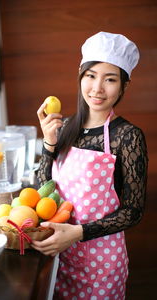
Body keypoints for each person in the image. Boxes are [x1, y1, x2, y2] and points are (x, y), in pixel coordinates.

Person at [32, 31, 148, 300]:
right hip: (60, 255)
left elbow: (133, 211)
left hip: (102, 264)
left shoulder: (127, 136)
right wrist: (49, 143)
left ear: (123, 86)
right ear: (81, 76)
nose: (97, 88)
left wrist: (78, 233)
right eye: (91, 76)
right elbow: (43, 190)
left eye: (110, 79)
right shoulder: (64, 127)